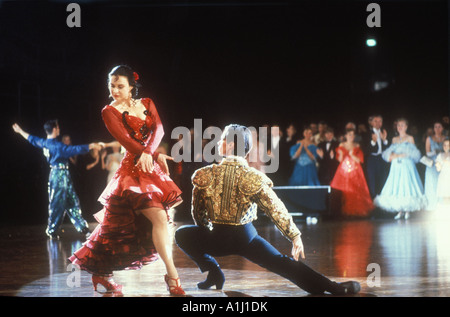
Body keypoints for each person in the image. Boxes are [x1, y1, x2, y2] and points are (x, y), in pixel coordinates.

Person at [175, 124, 360, 295]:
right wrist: (294, 236)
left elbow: (198, 215)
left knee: (182, 234)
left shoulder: (205, 175)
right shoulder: (253, 177)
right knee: (283, 263)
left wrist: (208, 232)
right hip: (245, 238)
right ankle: (334, 288)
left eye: (222, 138)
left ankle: (213, 271)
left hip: (217, 237)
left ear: (230, 145)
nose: (218, 142)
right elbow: (275, 209)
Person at [69, 65, 184, 295]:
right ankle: (173, 278)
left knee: (118, 229)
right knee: (158, 219)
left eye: (120, 86)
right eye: (111, 85)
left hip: (149, 168)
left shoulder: (148, 103)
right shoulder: (108, 111)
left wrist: (151, 153)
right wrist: (148, 154)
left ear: (132, 86)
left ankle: (102, 275)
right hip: (132, 173)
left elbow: (159, 130)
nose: (115, 90)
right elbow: (125, 140)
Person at [12, 121, 99, 239]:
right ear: (54, 129)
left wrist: (20, 131)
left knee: (72, 201)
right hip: (58, 175)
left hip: (63, 174)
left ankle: (83, 228)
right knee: (57, 203)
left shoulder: (44, 143)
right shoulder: (56, 146)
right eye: (57, 127)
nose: (59, 129)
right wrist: (90, 146)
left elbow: (31, 138)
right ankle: (52, 229)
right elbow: (73, 150)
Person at [374, 118, 427, 220]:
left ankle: (407, 210)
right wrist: (394, 156)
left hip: (406, 165)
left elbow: (414, 153)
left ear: (406, 127)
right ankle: (400, 210)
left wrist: (402, 155)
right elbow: (389, 153)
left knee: (406, 185)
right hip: (396, 166)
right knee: (397, 186)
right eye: (398, 125)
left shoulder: (410, 138)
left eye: (402, 125)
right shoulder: (394, 139)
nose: (400, 127)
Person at [330, 128, 374, 217]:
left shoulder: (357, 145)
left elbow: (360, 160)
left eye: (353, 135)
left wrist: (352, 155)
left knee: (356, 191)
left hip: (355, 171)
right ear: (345, 136)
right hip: (344, 171)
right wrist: (341, 154)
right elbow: (339, 160)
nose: (351, 137)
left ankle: (356, 212)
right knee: (344, 191)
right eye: (349, 135)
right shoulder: (341, 145)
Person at [364, 115, 389, 199]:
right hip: (372, 159)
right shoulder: (367, 133)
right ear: (371, 122)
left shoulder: (385, 132)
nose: (378, 123)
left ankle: (382, 199)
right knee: (372, 179)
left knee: (383, 178)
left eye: (380, 121)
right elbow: (365, 150)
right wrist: (373, 142)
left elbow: (389, 148)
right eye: (375, 121)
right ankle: (373, 199)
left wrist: (384, 140)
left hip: (382, 159)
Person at [424, 121, 445, 211]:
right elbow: (427, 153)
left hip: (443, 164)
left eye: (439, 127)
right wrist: (434, 152)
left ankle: (443, 205)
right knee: (432, 185)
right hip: (432, 164)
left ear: (442, 128)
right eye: (435, 127)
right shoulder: (429, 139)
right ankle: (432, 206)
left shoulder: (446, 138)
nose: (437, 129)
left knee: (443, 184)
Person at [435, 139, 450, 214]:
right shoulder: (440, 155)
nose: (446, 147)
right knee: (444, 195)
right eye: (445, 145)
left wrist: (446, 162)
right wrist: (437, 165)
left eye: (448, 145)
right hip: (443, 177)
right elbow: (438, 169)